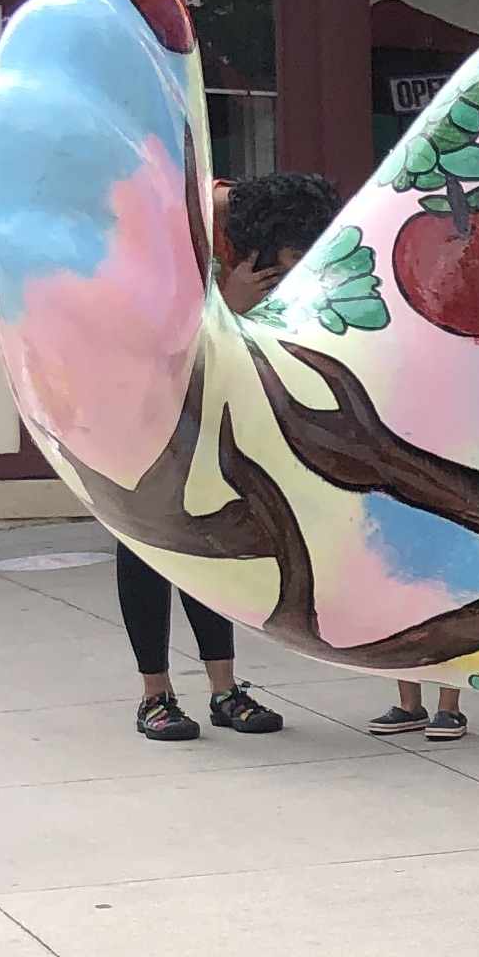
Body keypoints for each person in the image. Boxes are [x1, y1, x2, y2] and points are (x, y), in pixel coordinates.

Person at [112, 167, 334, 742]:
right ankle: (155, 695)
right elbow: (151, 336)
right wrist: (226, 306)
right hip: (144, 405)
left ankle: (224, 688)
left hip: (209, 406)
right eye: (292, 259)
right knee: (145, 539)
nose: (293, 272)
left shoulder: (246, 236)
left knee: (207, 538)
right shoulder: (174, 223)